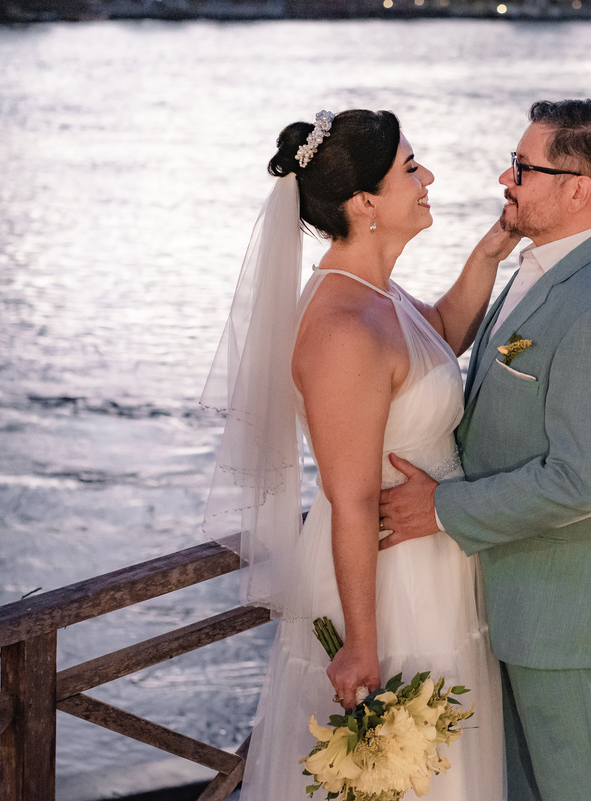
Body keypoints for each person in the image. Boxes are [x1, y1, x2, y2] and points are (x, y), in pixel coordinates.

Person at [200, 109, 513, 801]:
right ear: (365, 201)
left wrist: (492, 250)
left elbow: (441, 333)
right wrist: (362, 644)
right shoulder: (342, 326)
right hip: (386, 582)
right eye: (411, 168)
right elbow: (349, 498)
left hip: (433, 562)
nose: (428, 178)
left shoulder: (379, 294)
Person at [378, 99, 591, 801]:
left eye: (523, 167)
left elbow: (584, 479)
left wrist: (441, 508)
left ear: (578, 189)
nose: (506, 179)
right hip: (514, 593)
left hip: (564, 610)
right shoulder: (543, 266)